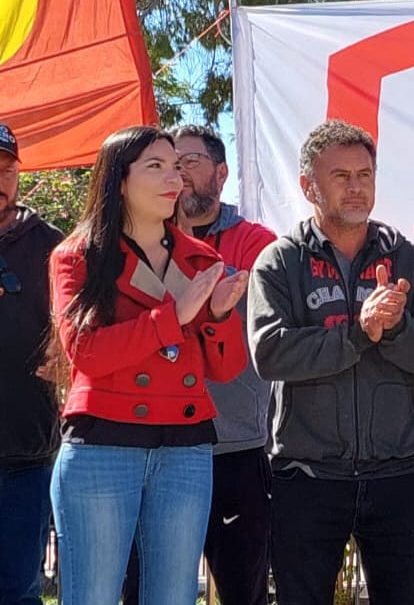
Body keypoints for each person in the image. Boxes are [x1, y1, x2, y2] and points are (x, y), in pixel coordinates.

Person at [247, 119, 414, 605]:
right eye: (341, 176)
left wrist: (396, 328)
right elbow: (271, 353)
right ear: (308, 186)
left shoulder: (406, 258)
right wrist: (359, 333)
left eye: (365, 174)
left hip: (399, 473)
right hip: (307, 475)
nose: (356, 186)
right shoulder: (279, 262)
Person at [49, 126, 248, 605]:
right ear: (118, 179)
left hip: (186, 446)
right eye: (155, 167)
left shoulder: (202, 259)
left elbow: (224, 370)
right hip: (102, 444)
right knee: (92, 596)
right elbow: (86, 352)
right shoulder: (78, 256)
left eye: (177, 167)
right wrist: (171, 319)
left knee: (175, 597)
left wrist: (219, 316)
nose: (172, 179)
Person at [121, 125, 277, 605]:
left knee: (241, 590)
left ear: (221, 172)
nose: (179, 174)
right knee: (149, 591)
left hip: (235, 445)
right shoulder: (139, 242)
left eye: (189, 161)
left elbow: (224, 305)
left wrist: (183, 264)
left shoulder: (255, 240)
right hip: (155, 445)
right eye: (168, 165)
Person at [0, 123, 63, 605]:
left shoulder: (51, 245)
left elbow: (79, 325)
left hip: (26, 448)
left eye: (7, 169)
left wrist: (64, 350)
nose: (1, 179)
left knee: (19, 589)